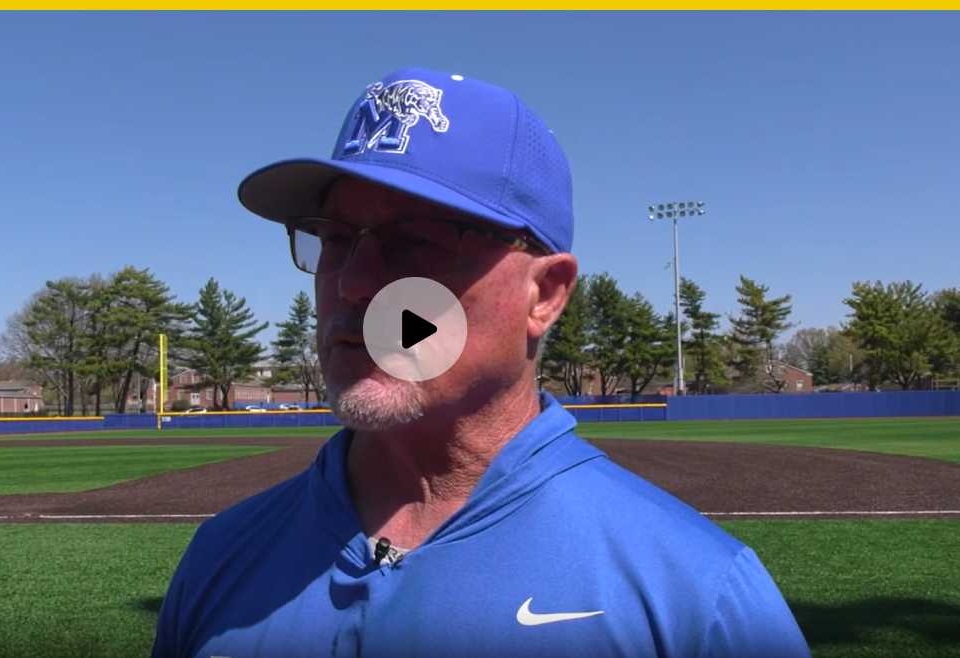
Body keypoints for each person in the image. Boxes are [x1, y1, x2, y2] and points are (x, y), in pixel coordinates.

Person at [151, 67, 812, 658]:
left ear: (544, 295)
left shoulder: (695, 596)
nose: (352, 284)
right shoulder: (220, 559)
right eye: (334, 238)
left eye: (416, 242)